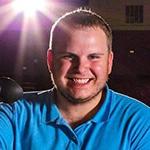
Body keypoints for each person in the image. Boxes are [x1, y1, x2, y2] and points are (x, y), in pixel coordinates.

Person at [0, 8, 150, 150]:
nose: (81, 68)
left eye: (94, 57)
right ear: (50, 60)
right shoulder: (13, 113)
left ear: (109, 62)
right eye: (69, 56)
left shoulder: (141, 121)